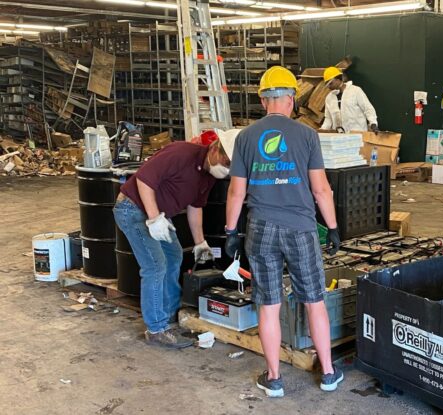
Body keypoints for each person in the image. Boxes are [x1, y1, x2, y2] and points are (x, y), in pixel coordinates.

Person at [224, 66, 343, 397]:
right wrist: (332, 228)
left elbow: (236, 192)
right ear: (291, 99)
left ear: (264, 101)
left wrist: (231, 230)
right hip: (301, 228)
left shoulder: (245, 137)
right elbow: (321, 190)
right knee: (314, 300)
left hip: (260, 228)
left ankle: (274, 377)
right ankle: (329, 373)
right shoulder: (307, 135)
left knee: (269, 303)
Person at [114, 132, 237, 349]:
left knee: (174, 255)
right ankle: (156, 329)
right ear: (215, 149)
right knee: (155, 265)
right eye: (226, 163)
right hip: (132, 208)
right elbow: (144, 180)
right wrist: (153, 218)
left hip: (158, 215)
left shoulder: (208, 176)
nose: (226, 170)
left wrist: (200, 242)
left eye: (232, 167)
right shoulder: (180, 153)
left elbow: (195, 207)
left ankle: (170, 315)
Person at [321, 66, 379, 133]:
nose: (329, 87)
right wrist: (322, 131)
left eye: (331, 83)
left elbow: (368, 108)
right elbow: (328, 119)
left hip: (358, 135)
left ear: (338, 79)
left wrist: (373, 123)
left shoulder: (355, 91)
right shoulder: (329, 98)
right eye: (327, 85)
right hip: (338, 137)